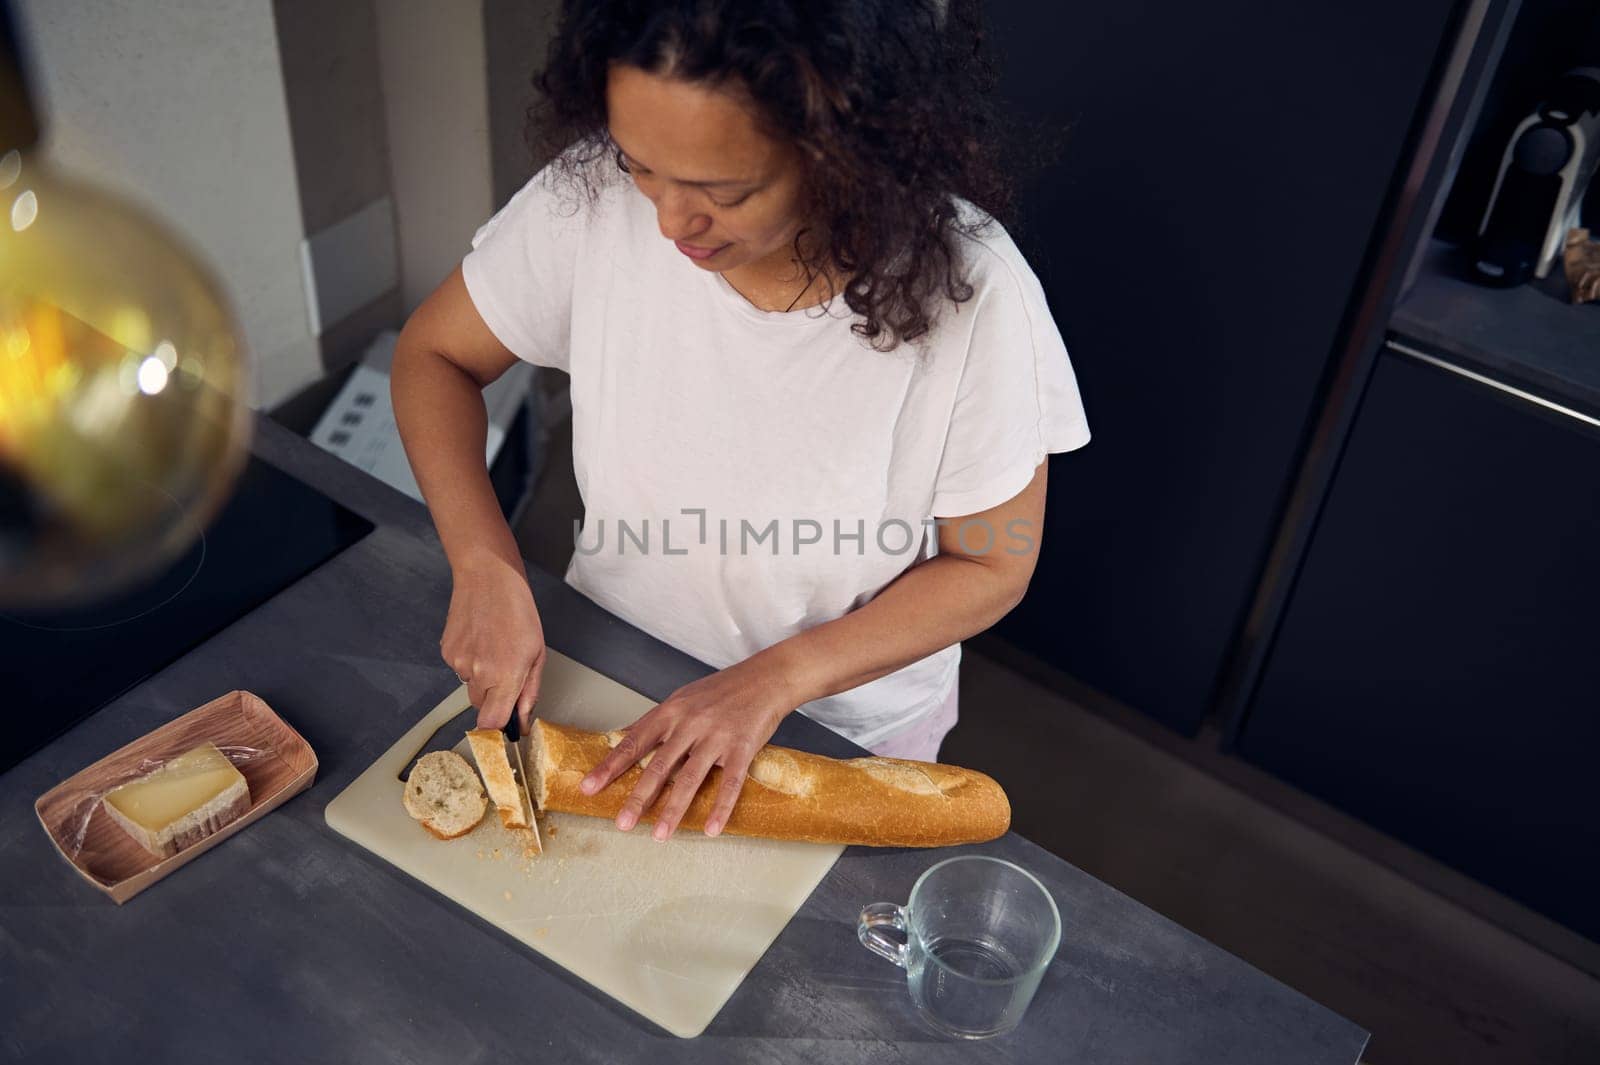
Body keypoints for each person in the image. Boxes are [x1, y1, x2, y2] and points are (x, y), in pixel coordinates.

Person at [391, 0, 1089, 843]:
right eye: (641, 164)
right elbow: (435, 357)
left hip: (840, 732)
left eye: (724, 191)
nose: (669, 221)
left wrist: (776, 679)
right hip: (609, 667)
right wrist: (484, 561)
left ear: (844, 152)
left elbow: (993, 564)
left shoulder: (975, 299)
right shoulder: (593, 202)